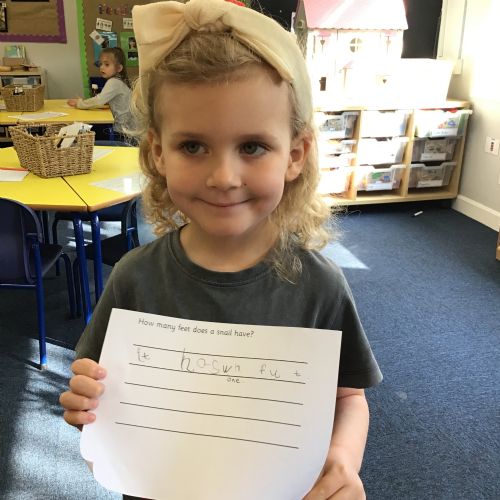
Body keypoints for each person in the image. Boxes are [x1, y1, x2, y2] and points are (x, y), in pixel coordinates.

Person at [59, 1, 382, 499]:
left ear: (295, 155)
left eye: (252, 146)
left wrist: (342, 460)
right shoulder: (135, 277)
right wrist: (86, 402)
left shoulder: (319, 285)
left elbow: (348, 397)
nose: (224, 177)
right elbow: (97, 386)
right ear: (157, 152)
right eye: (193, 146)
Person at [67, 47, 135, 142]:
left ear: (119, 68)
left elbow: (99, 100)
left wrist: (80, 103)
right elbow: (104, 99)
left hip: (124, 132)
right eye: (101, 64)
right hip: (128, 129)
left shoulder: (114, 82)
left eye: (107, 64)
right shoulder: (118, 81)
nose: (102, 67)